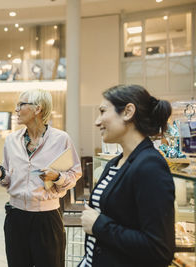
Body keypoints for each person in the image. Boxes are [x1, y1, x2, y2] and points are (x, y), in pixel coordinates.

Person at [79, 84, 174, 266]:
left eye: (102, 111)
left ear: (128, 112)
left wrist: (99, 225)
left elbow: (159, 249)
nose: (97, 122)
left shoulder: (150, 166)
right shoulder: (116, 162)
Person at [0, 89, 82, 267]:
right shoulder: (11, 140)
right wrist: (1, 175)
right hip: (16, 217)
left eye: (21, 105)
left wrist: (58, 177)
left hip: (47, 218)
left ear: (37, 109)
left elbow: (75, 173)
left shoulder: (61, 139)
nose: (16, 110)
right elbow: (8, 176)